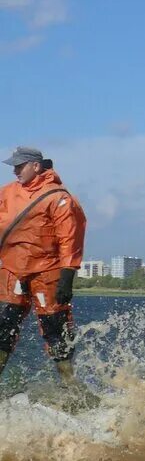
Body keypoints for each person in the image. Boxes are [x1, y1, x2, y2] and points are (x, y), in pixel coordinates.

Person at [0, 146, 87, 383]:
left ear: (35, 166)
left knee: (55, 329)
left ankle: (70, 386)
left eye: (20, 166)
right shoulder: (6, 194)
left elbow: (69, 237)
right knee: (3, 327)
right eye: (14, 166)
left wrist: (67, 276)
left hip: (47, 273)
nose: (15, 171)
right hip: (12, 270)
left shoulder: (58, 197)